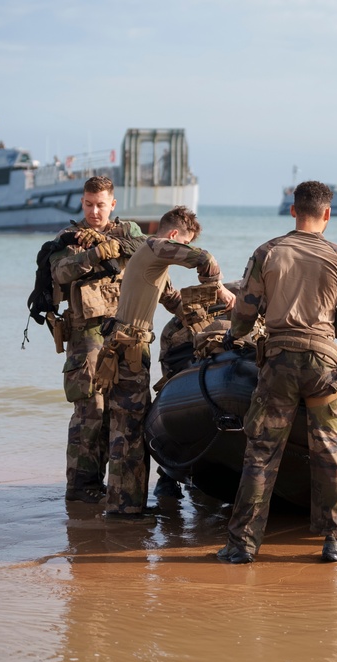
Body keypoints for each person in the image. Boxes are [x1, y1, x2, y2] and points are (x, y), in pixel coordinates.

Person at [216, 180, 337, 564]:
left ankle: (242, 546)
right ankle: (334, 542)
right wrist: (326, 332)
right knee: (331, 453)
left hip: (279, 360)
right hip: (324, 362)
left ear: (293, 210)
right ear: (327, 214)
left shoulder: (267, 252)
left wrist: (237, 335)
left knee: (262, 452)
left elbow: (244, 314)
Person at [95, 206, 236, 520]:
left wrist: (215, 323)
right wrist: (221, 289)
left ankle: (123, 503)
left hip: (126, 344)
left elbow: (174, 302)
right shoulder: (156, 247)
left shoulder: (152, 263)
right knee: (129, 429)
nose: (182, 249)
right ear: (174, 236)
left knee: (125, 427)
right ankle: (126, 509)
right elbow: (205, 259)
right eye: (183, 242)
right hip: (128, 346)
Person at [50, 175, 144, 503]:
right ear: (81, 202)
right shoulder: (68, 238)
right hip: (85, 337)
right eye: (89, 204)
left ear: (112, 204)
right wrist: (95, 254)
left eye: (100, 205)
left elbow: (151, 251)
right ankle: (80, 489)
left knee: (120, 415)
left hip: (121, 337)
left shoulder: (128, 233)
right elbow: (60, 272)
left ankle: (112, 490)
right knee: (90, 412)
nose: (94, 211)